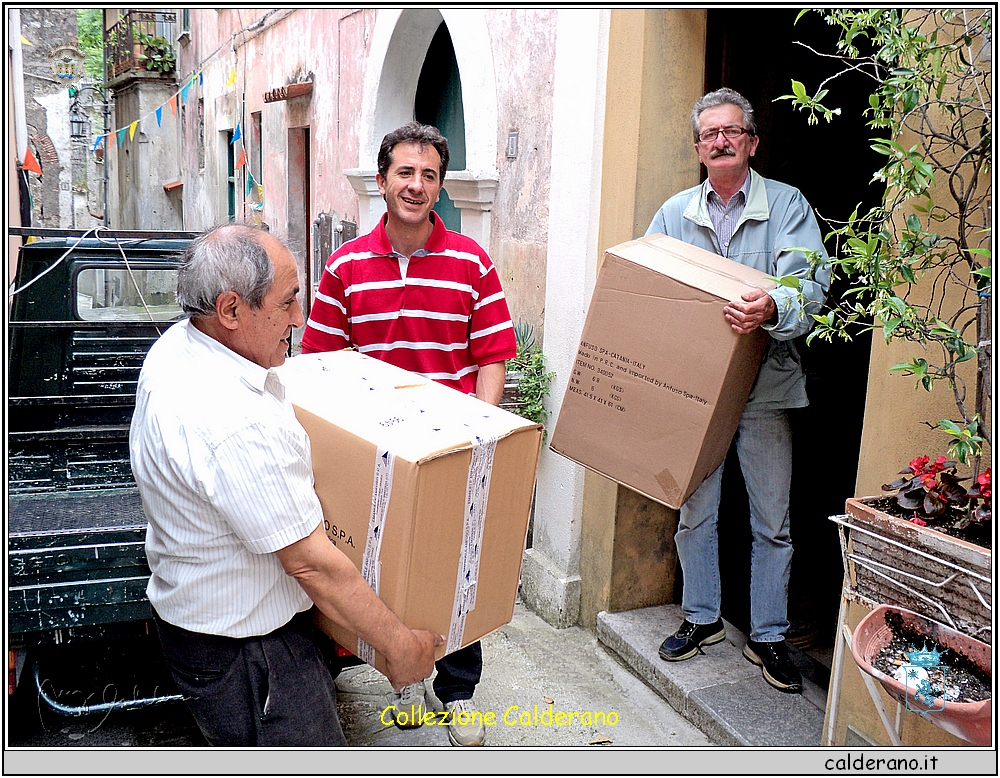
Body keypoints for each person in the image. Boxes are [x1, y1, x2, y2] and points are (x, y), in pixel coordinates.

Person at [130, 224, 442, 746]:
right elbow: (311, 562)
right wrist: (400, 647)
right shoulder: (233, 419)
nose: (299, 318)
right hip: (249, 653)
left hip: (206, 629)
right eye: (288, 301)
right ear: (230, 310)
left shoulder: (182, 344)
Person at [301, 122, 517, 745]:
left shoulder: (471, 262)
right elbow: (322, 364)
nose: (416, 186)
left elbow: (493, 356)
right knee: (370, 565)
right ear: (382, 180)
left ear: (442, 186)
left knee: (457, 568)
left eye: (429, 175)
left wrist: (484, 437)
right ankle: (392, 671)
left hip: (449, 445)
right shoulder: (344, 267)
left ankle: (456, 692)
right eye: (405, 173)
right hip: (373, 448)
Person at [645, 88, 831, 694]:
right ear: (699, 148)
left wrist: (772, 303)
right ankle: (702, 618)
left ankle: (769, 633)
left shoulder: (787, 205)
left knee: (771, 517)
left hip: (765, 385)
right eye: (708, 135)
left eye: (731, 132)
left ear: (751, 141)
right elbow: (646, 287)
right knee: (695, 508)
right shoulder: (674, 213)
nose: (719, 142)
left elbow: (813, 284)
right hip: (695, 389)